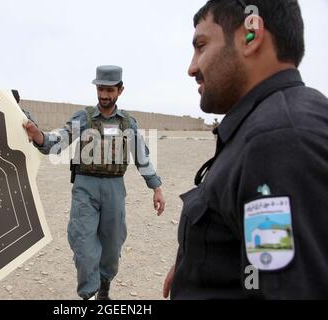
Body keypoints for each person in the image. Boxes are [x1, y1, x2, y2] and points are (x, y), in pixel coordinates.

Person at [163, 0, 328, 299]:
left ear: (251, 35)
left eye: (201, 45)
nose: (192, 67)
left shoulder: (278, 139)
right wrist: (200, 263)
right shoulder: (272, 122)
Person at [23, 65, 166, 300]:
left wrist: (156, 188)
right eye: (100, 89)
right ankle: (88, 294)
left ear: (120, 90)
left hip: (114, 189)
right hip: (85, 189)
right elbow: (57, 141)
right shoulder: (84, 118)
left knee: (112, 247)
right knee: (84, 247)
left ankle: (104, 287)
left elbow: (142, 157)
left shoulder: (127, 123)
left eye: (110, 90)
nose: (104, 95)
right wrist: (38, 135)